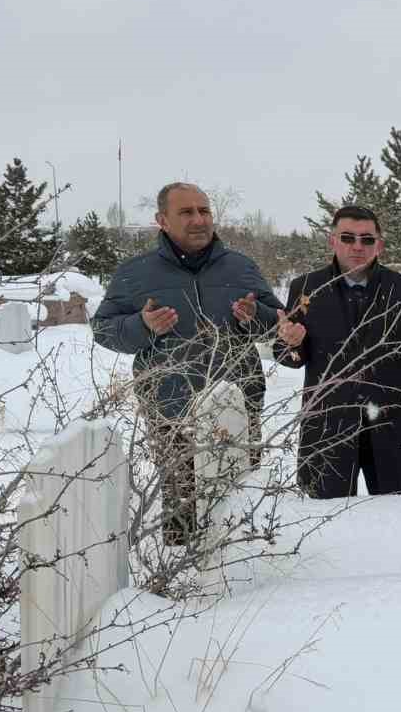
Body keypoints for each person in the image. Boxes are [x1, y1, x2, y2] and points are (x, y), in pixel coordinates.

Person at [92, 182, 281, 543]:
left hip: (238, 407)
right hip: (171, 413)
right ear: (162, 220)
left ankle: (246, 578)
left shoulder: (240, 267)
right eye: (186, 212)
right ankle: (180, 587)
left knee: (239, 504)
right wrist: (141, 326)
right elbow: (102, 329)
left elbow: (276, 323)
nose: (199, 219)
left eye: (204, 210)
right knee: (183, 509)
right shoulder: (136, 273)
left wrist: (255, 317)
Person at [274, 205, 401, 498]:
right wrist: (291, 344)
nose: (357, 246)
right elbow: (289, 354)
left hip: (391, 421)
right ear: (333, 240)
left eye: (366, 239)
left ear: (379, 244)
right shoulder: (308, 287)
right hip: (329, 424)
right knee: (328, 521)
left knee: (396, 516)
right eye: (348, 237)